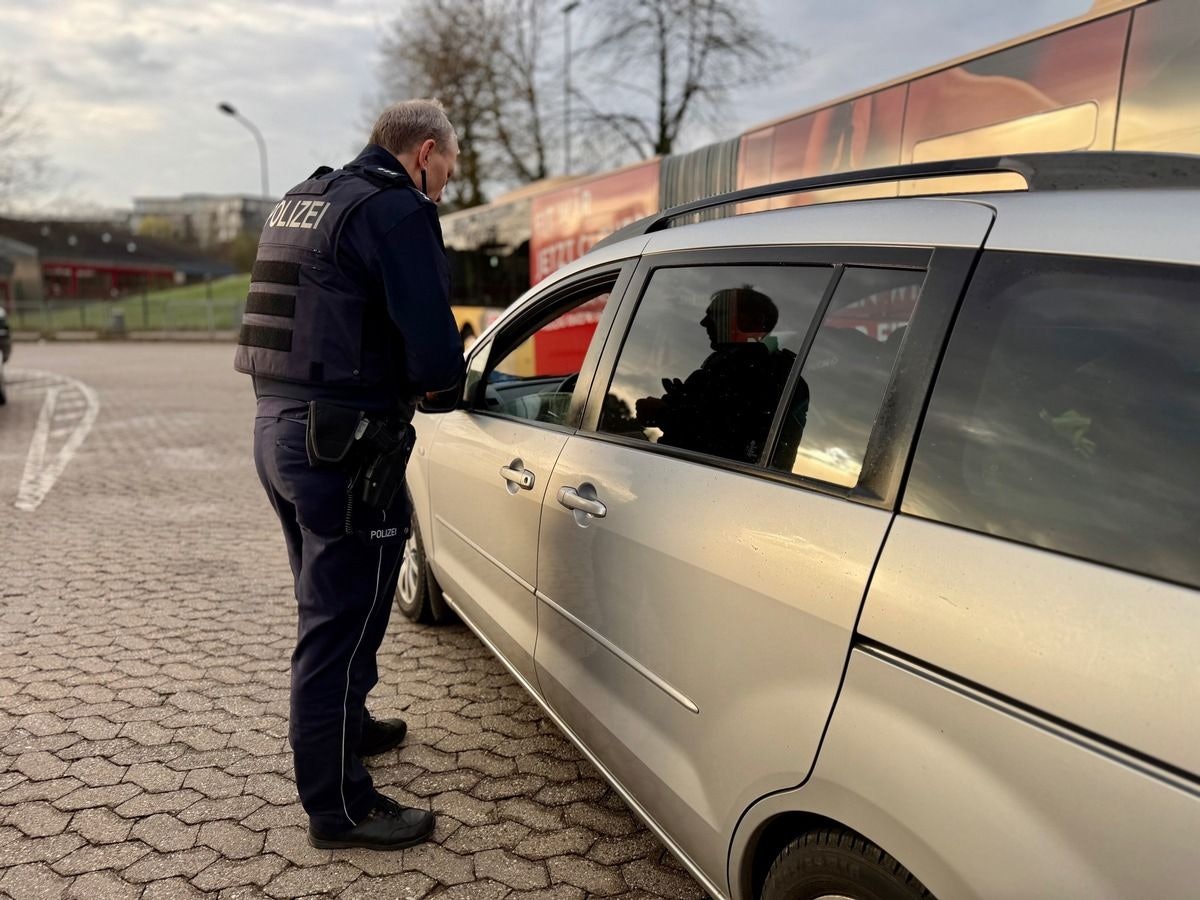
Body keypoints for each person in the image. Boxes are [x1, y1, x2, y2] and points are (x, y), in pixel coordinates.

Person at [234, 99, 465, 851]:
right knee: (335, 627)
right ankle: (340, 808)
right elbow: (436, 355)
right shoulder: (396, 211)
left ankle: (351, 725)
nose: (445, 185)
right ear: (424, 152)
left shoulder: (304, 199)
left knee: (345, 605)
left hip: (280, 432)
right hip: (345, 446)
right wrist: (442, 384)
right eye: (447, 169)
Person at [635, 287, 801, 465]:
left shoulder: (751, 372)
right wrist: (679, 405)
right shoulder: (758, 369)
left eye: (716, 314)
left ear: (751, 321)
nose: (704, 322)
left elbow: (728, 445)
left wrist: (663, 414)